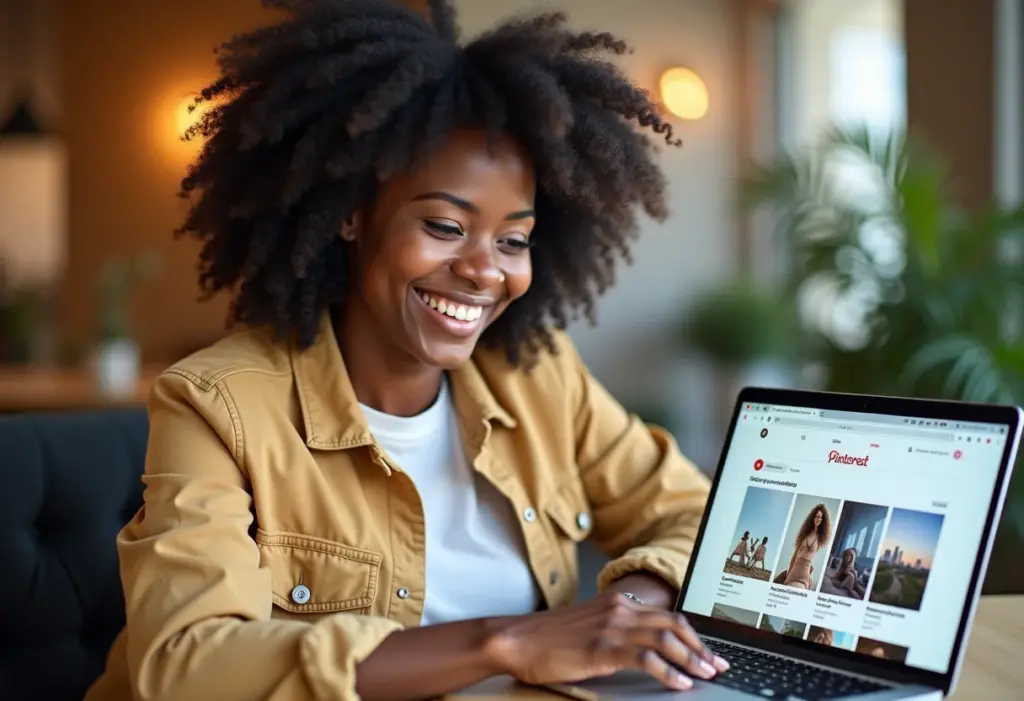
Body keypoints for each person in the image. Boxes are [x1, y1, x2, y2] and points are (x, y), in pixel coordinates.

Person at [83, 2, 726, 700]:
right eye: (445, 226)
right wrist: (505, 641)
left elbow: (696, 517)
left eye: (513, 240)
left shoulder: (537, 376)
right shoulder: (218, 404)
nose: (484, 271)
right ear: (351, 215)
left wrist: (621, 618)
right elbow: (187, 662)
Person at [781, 505, 832, 589]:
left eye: (820, 517)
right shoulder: (804, 535)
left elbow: (811, 558)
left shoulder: (820, 539)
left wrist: (809, 572)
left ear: (823, 520)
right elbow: (794, 556)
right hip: (793, 571)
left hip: (803, 575)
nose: (818, 519)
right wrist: (788, 574)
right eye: (816, 516)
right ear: (813, 517)